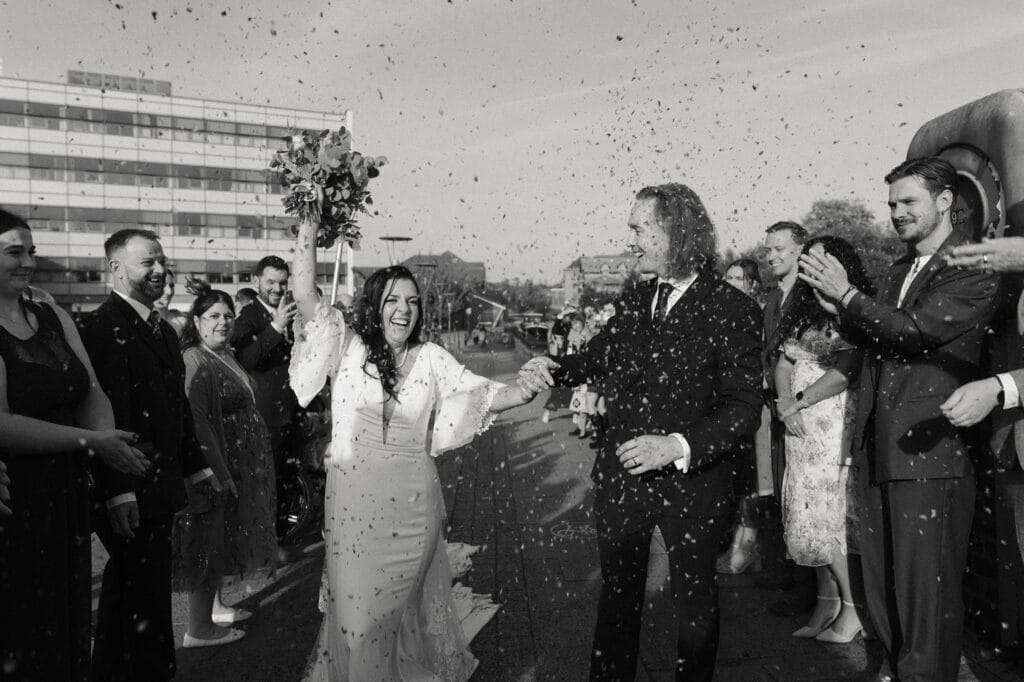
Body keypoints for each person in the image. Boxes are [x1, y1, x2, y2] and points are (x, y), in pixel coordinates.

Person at [520, 183, 763, 681]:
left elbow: (744, 407)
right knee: (617, 600)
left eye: (638, 228)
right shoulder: (635, 297)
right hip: (623, 477)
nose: (630, 240)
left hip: (694, 484)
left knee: (695, 606)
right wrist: (554, 366)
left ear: (675, 229)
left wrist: (675, 446)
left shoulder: (732, 309)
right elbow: (599, 355)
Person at [288, 214, 543, 680]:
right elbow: (306, 296)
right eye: (393, 300)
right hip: (353, 512)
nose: (404, 309)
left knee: (402, 615)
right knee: (359, 623)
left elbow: (480, 393)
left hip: (413, 510)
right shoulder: (346, 346)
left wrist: (525, 390)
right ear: (374, 305)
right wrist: (309, 220)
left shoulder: (430, 357)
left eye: (412, 301)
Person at [800, 157, 1000, 681]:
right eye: (891, 204)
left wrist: (847, 295)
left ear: (944, 201)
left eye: (908, 201)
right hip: (879, 447)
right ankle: (891, 669)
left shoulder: (973, 265)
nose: (896, 213)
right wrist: (839, 311)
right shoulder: (895, 270)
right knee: (884, 591)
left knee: (924, 601)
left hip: (930, 456)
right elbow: (880, 341)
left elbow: (914, 331)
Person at [0, 210, 149, 681]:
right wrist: (93, 440)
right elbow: (2, 424)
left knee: (66, 623)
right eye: (13, 252)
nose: (27, 262)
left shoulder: (50, 313)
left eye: (31, 252)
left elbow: (92, 391)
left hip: (65, 496)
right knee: (21, 628)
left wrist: (111, 445)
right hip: (14, 499)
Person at [79, 228, 220, 681]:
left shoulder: (159, 328)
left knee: (135, 589)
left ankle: (121, 671)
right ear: (115, 269)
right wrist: (118, 492)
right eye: (147, 263)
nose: (160, 270)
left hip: (159, 482)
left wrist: (196, 467)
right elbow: (101, 415)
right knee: (140, 593)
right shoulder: (98, 328)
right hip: (127, 487)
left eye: (162, 261)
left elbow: (173, 407)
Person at [773, 236, 871, 643]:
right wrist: (783, 403)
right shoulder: (800, 306)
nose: (810, 269)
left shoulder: (849, 307)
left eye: (819, 261)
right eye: (806, 262)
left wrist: (797, 402)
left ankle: (853, 612)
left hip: (831, 423)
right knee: (807, 510)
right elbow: (783, 361)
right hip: (797, 422)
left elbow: (849, 365)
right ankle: (825, 602)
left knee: (831, 516)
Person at [172, 284, 278, 648]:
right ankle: (198, 628)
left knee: (223, 535)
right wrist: (218, 470)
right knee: (205, 537)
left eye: (229, 316)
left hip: (239, 460)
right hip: (217, 462)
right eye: (214, 316)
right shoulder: (194, 360)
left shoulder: (226, 354)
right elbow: (198, 422)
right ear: (197, 321)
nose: (223, 322)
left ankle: (215, 608)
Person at [230, 256, 301, 561]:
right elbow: (246, 358)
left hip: (291, 411)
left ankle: (278, 540)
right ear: (257, 280)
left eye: (282, 282)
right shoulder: (248, 316)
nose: (277, 288)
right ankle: (260, 547)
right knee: (263, 483)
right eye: (270, 282)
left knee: (286, 481)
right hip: (264, 415)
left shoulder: (293, 311)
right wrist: (275, 327)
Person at [717, 257, 770, 574]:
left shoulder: (759, 317)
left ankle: (747, 547)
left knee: (753, 480)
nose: (731, 284)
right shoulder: (723, 316)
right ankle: (738, 541)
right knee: (736, 479)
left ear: (752, 285)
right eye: (728, 278)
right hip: (727, 408)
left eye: (738, 279)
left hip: (754, 408)